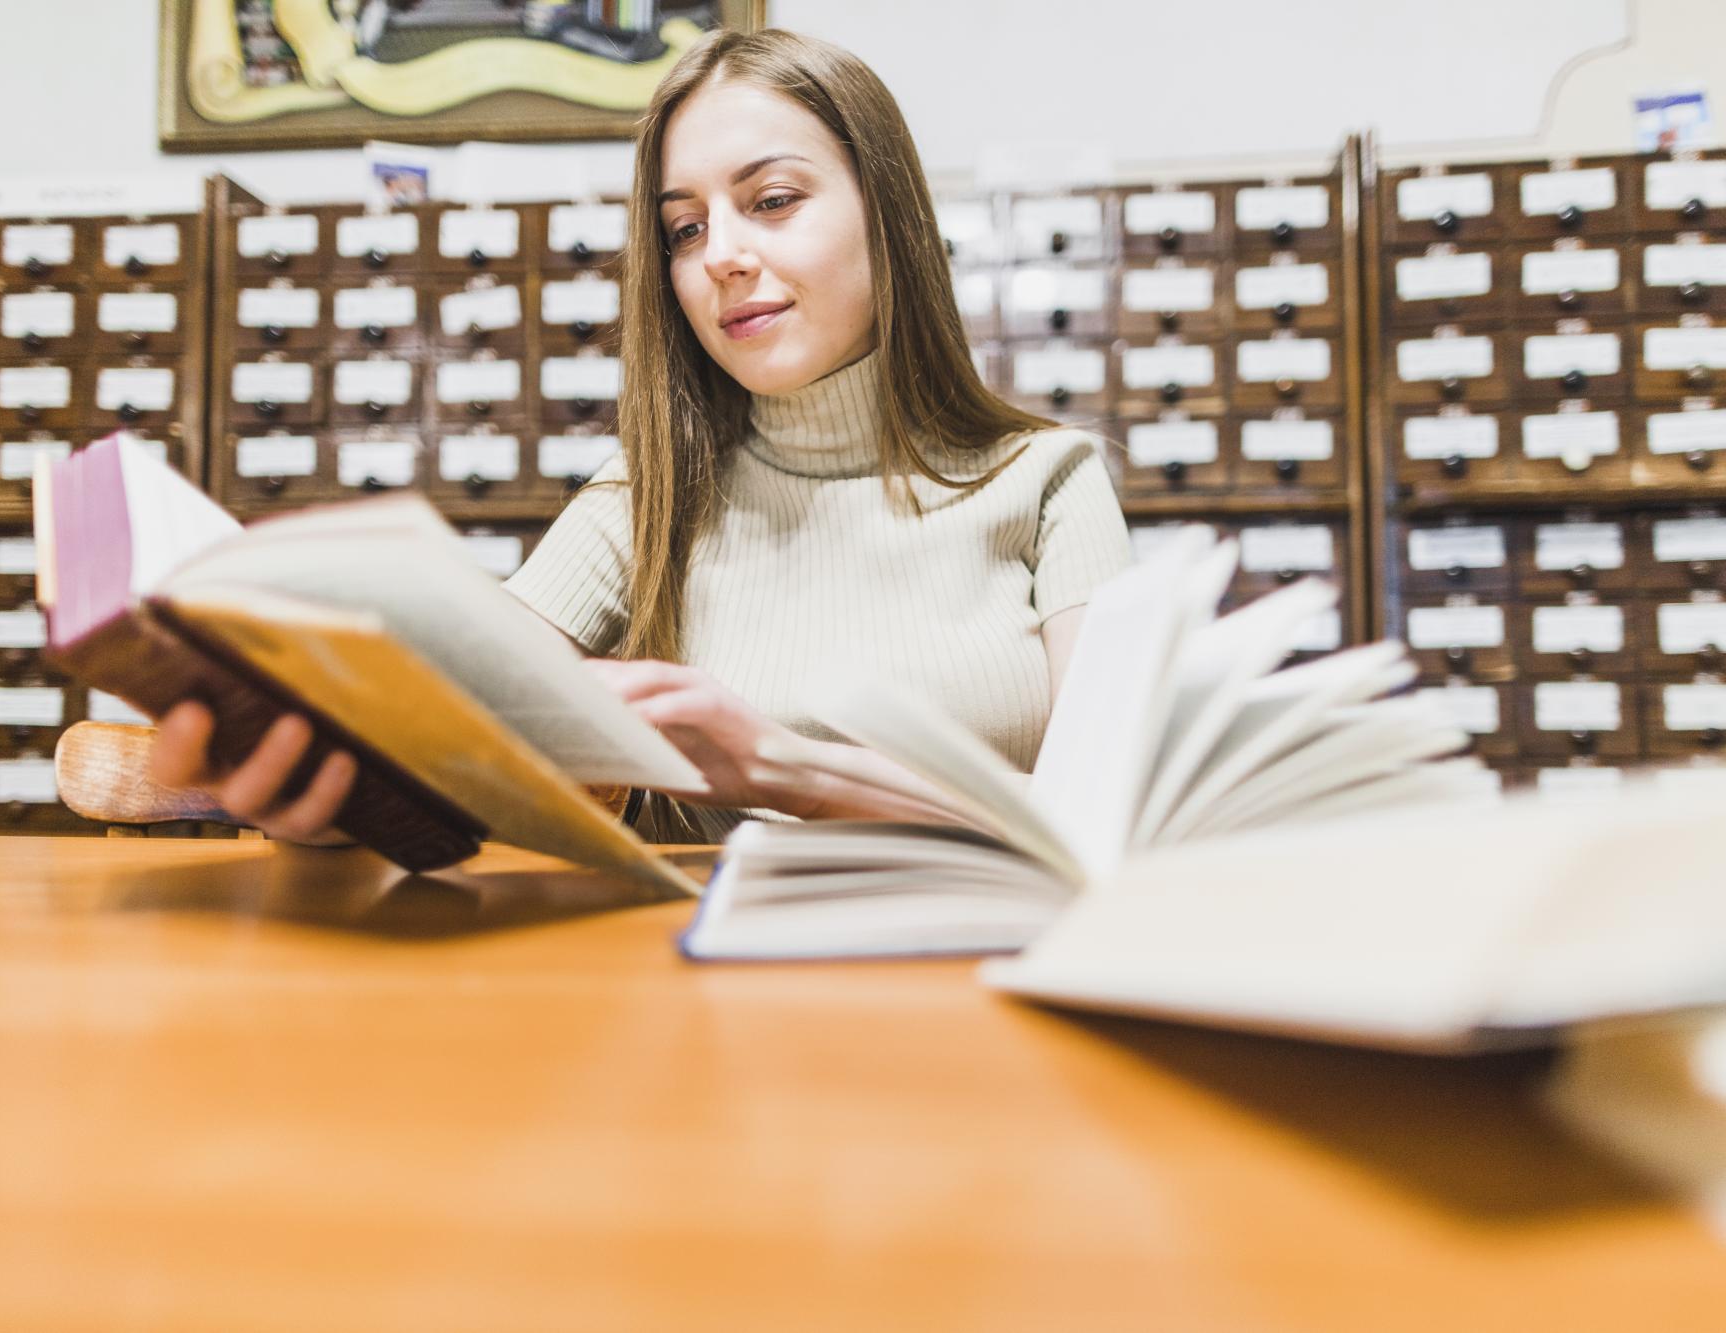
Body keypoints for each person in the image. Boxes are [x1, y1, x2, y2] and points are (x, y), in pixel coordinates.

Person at [148, 26, 1132, 845]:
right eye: (684, 229)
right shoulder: (648, 494)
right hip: (715, 1011)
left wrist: (788, 772)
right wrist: (319, 796)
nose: (724, 257)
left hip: (983, 995)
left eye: (771, 202)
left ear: (890, 214)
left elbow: (1109, 830)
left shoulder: (1048, 483)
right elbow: (439, 734)